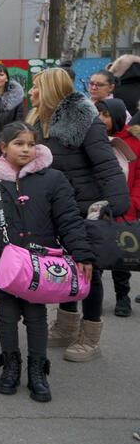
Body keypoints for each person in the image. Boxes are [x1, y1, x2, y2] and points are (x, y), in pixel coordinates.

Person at [0, 122, 93, 402]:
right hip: (5, 261)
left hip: (39, 263)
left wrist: (83, 254)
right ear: (4, 148)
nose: (26, 149)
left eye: (31, 144)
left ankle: (38, 371)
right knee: (5, 315)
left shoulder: (52, 178)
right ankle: (10, 367)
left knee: (36, 316)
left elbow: (68, 219)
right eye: (19, 144)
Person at [27, 68, 129, 361]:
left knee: (89, 271)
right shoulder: (38, 121)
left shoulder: (87, 122)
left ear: (48, 91)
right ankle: (66, 325)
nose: (31, 92)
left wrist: (115, 204)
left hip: (86, 207)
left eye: (35, 87)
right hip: (54, 206)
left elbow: (106, 165)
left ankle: (90, 335)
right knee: (63, 267)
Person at [102, 103, 140, 316]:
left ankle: (122, 297)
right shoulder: (94, 141)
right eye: (98, 113)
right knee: (94, 256)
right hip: (97, 206)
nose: (101, 118)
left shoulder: (133, 143)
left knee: (121, 257)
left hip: (126, 207)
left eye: (106, 115)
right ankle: (90, 296)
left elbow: (139, 177)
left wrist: (133, 202)